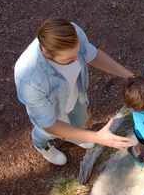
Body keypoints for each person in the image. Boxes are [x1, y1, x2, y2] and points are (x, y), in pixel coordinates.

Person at [14, 19, 136, 165]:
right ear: (46, 53)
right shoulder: (29, 79)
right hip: (53, 113)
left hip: (76, 93)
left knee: (80, 118)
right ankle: (41, 144)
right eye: (70, 59)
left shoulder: (73, 31)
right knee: (47, 132)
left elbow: (93, 55)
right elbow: (49, 124)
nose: (78, 59)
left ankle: (76, 134)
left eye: (78, 52)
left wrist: (131, 77)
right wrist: (97, 137)